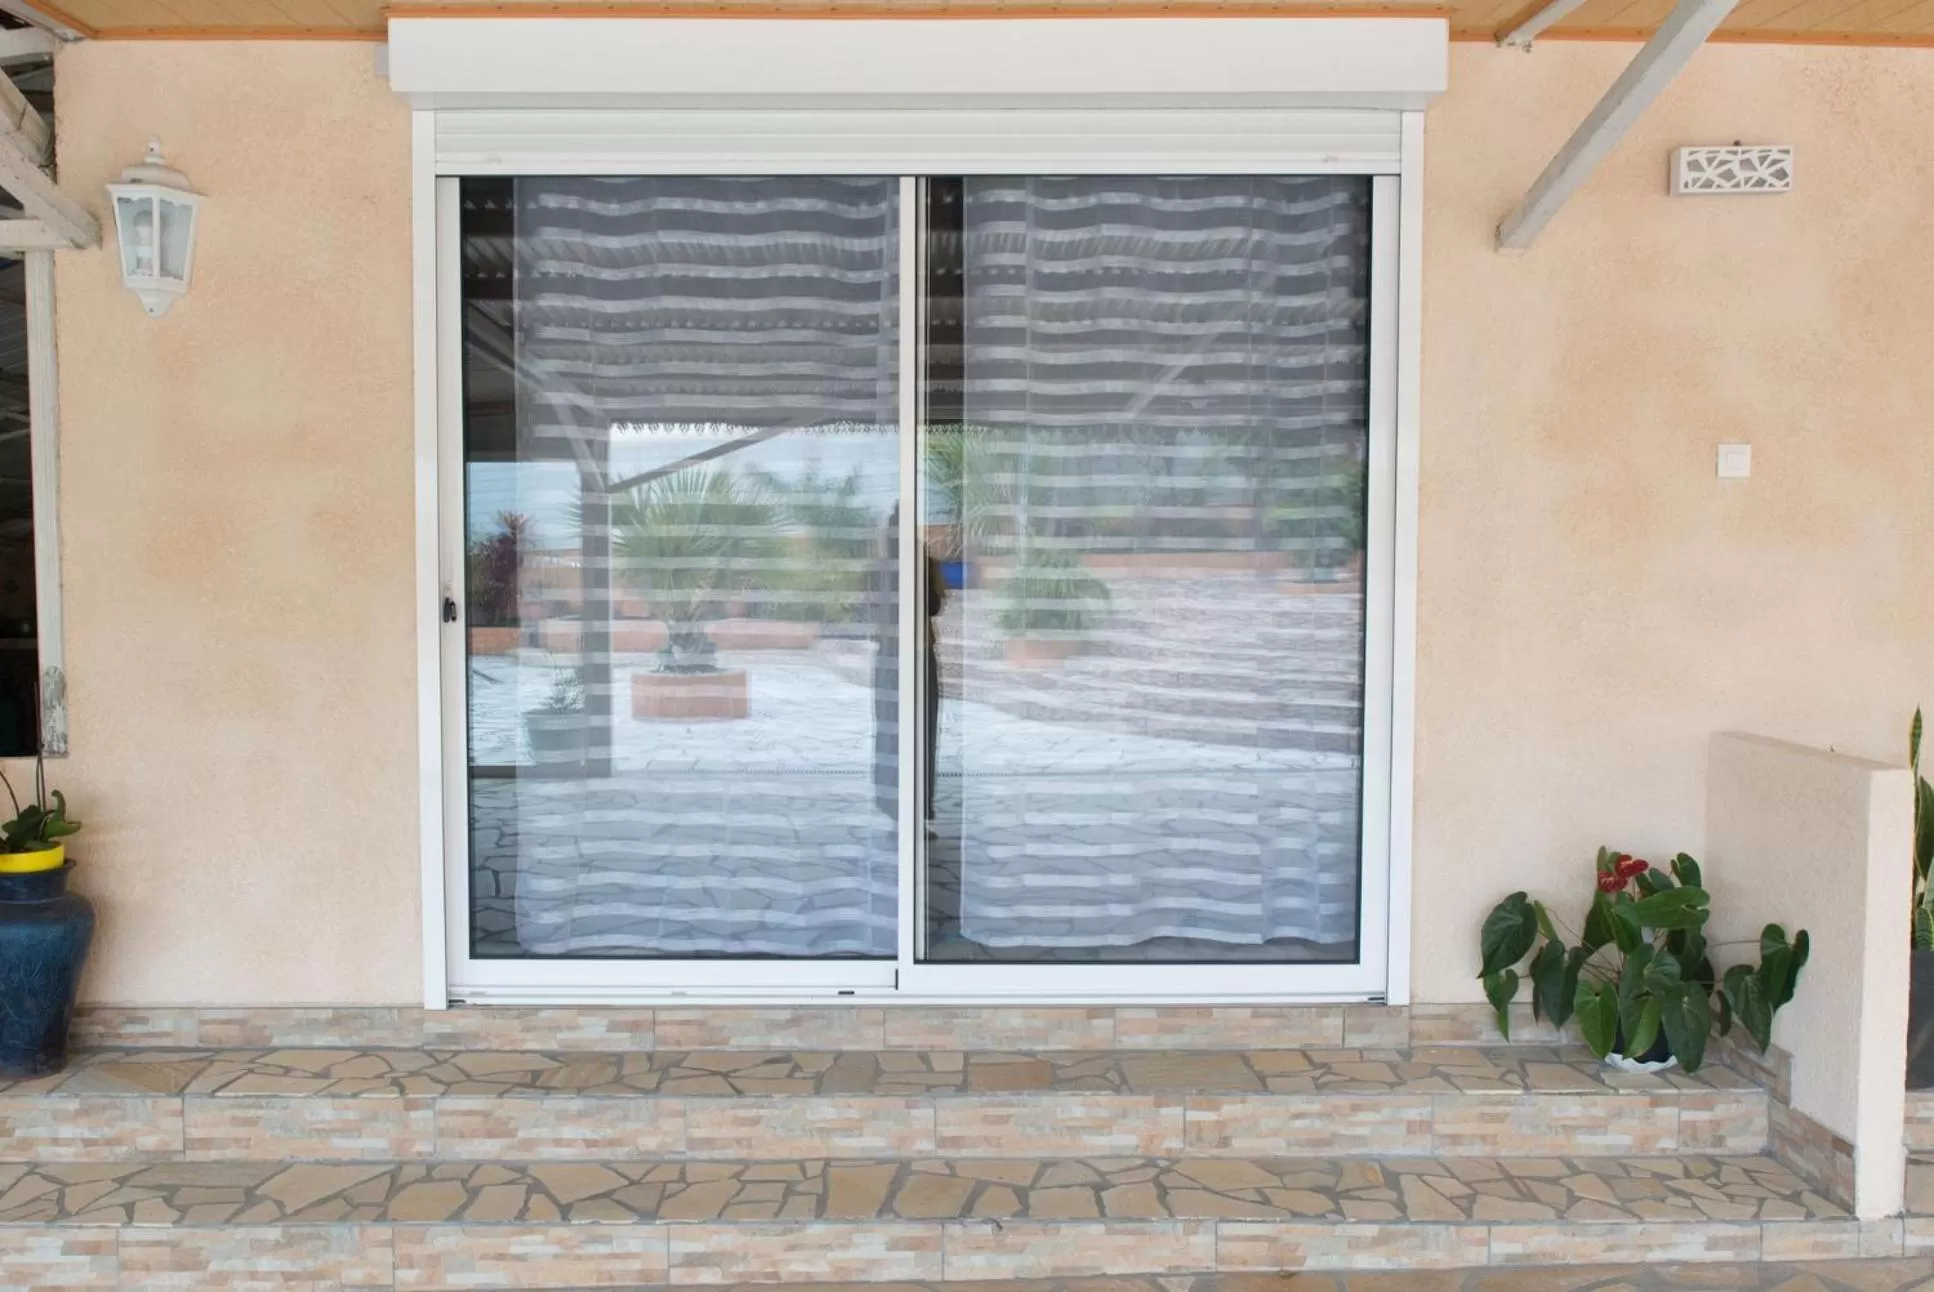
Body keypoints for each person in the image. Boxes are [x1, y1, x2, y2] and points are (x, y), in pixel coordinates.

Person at [872, 504, 945, 823]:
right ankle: (911, 810)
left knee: (895, 731)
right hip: (909, 654)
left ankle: (899, 810)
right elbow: (933, 605)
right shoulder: (918, 562)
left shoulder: (883, 566)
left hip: (896, 654)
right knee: (917, 732)